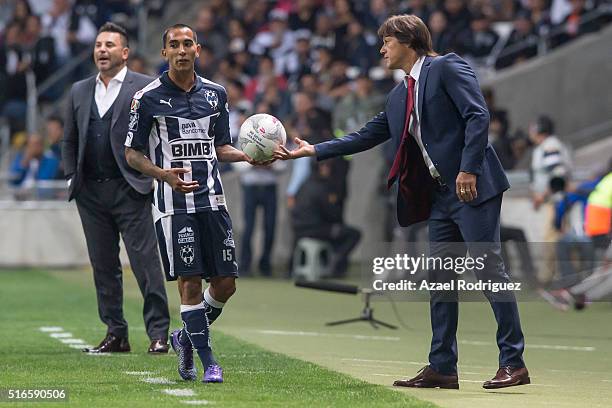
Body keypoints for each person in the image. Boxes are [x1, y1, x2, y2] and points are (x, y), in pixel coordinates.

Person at [276, 14, 528, 390]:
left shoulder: (447, 66)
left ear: (408, 41)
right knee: (440, 280)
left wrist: (469, 169)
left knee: (488, 270)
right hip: (441, 197)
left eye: (387, 42)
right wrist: (314, 150)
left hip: (471, 188)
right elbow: (365, 135)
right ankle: (443, 367)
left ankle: (514, 362)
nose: (381, 49)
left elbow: (478, 114)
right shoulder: (399, 95)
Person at [125, 24, 266, 383]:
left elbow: (221, 147)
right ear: (165, 53)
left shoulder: (216, 95)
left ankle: (185, 337)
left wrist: (250, 156)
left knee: (226, 284)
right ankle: (208, 362)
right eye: (174, 45)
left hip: (214, 201)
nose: (182, 50)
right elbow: (131, 153)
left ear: (198, 49)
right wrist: (162, 174)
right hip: (173, 205)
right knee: (189, 282)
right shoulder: (147, 97)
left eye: (188, 44)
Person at [62, 22, 170, 354]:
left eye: (109, 44)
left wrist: (154, 174)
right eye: (98, 45)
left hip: (131, 189)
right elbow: (69, 139)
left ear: (125, 53)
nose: (102, 50)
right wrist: (72, 177)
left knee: (145, 263)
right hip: (90, 193)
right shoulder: (79, 90)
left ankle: (159, 333)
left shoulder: (145, 86)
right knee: (103, 265)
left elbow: (160, 133)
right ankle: (116, 333)